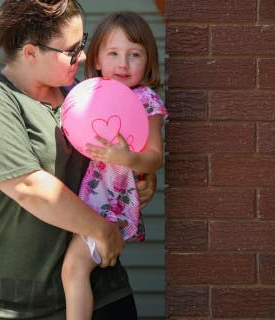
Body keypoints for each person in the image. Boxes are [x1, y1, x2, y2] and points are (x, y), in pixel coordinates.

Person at [0, 1, 154, 319]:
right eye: (71, 50)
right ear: (31, 52)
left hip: (100, 295)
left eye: (82, 45)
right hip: (3, 306)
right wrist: (103, 230)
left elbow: (122, 163)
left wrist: (137, 181)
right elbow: (30, 187)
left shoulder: (84, 98)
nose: (82, 57)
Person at [60, 11, 168, 320]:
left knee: (74, 268)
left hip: (112, 203)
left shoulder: (145, 100)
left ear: (148, 62)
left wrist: (127, 158)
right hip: (88, 201)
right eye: (114, 53)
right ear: (96, 60)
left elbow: (155, 157)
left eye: (134, 54)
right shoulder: (88, 97)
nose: (123, 64)